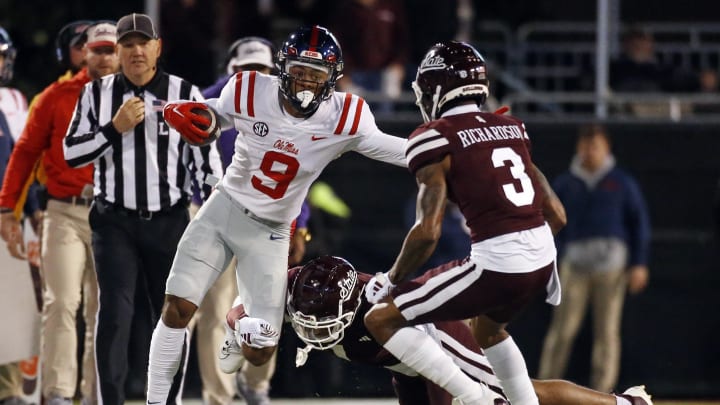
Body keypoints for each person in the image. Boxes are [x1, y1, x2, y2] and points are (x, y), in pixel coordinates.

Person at [146, 25, 407, 404]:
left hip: (270, 232)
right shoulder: (249, 89)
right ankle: (156, 401)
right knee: (177, 308)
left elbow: (396, 148)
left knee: (261, 350)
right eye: (299, 71)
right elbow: (215, 115)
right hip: (223, 210)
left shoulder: (344, 117)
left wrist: (449, 144)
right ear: (283, 69)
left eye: (316, 75)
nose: (305, 82)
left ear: (331, 80)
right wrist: (199, 120)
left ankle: (237, 321)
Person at [360, 40, 566, 405]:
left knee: (379, 319)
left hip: (499, 262)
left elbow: (428, 232)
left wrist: (390, 279)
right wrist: (526, 245)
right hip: (544, 257)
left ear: (436, 90)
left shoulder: (434, 137)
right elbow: (557, 214)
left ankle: (477, 399)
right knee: (487, 330)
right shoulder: (510, 126)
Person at [220, 255, 654, 405]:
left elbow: (439, 375)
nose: (316, 336)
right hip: (401, 363)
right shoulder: (294, 289)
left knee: (519, 394)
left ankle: (625, 401)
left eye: (325, 325)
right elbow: (236, 310)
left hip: (431, 341)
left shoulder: (379, 313)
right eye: (308, 325)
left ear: (350, 306)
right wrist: (240, 329)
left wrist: (471, 395)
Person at [62, 13, 223, 405]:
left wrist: (213, 215)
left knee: (172, 318)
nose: (136, 50)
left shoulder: (185, 93)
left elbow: (207, 163)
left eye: (143, 42)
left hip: (168, 219)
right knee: (114, 314)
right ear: (117, 50)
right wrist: (113, 128)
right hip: (113, 220)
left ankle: (167, 401)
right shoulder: (95, 94)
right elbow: (71, 152)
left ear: (158, 47)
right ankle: (111, 401)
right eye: (128, 44)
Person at [0, 21, 120, 405]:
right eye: (96, 49)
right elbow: (23, 154)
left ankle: (95, 395)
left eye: (110, 49)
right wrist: (9, 206)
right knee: (62, 302)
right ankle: (57, 394)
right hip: (65, 210)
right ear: (83, 52)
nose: (104, 56)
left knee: (105, 310)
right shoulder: (55, 96)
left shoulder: (139, 97)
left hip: (116, 216)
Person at [188, 36, 283, 405]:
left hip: (266, 214)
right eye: (247, 70)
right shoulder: (208, 103)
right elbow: (194, 168)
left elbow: (301, 167)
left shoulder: (284, 103)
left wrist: (300, 219)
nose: (254, 77)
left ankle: (256, 383)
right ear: (232, 71)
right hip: (214, 208)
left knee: (269, 302)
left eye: (261, 70)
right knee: (216, 308)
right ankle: (219, 396)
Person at [538, 123, 651, 393]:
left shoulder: (621, 182)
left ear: (606, 148)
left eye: (596, 146)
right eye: (586, 145)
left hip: (612, 269)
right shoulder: (566, 182)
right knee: (562, 331)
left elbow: (639, 223)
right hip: (573, 267)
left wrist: (639, 263)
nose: (590, 151)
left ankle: (603, 393)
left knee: (607, 333)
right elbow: (548, 224)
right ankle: (541, 389)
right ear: (579, 147)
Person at [0, 25, 31, 405]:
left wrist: (33, 208)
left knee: (7, 307)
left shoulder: (8, 104)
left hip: (3, 214)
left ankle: (7, 391)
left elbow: (14, 163)